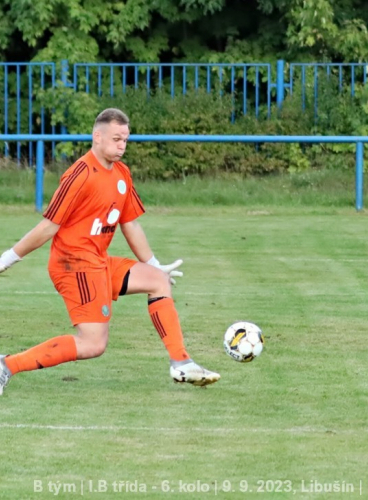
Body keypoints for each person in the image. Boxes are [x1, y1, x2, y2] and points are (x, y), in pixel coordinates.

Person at [0, 108, 220, 393]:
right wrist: (8, 258)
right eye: (116, 139)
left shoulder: (122, 173)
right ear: (97, 136)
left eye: (125, 140)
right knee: (93, 344)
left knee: (158, 280)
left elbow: (130, 224)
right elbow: (48, 227)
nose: (122, 146)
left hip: (99, 262)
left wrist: (154, 263)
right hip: (73, 265)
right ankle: (7, 365)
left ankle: (181, 362)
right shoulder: (79, 174)